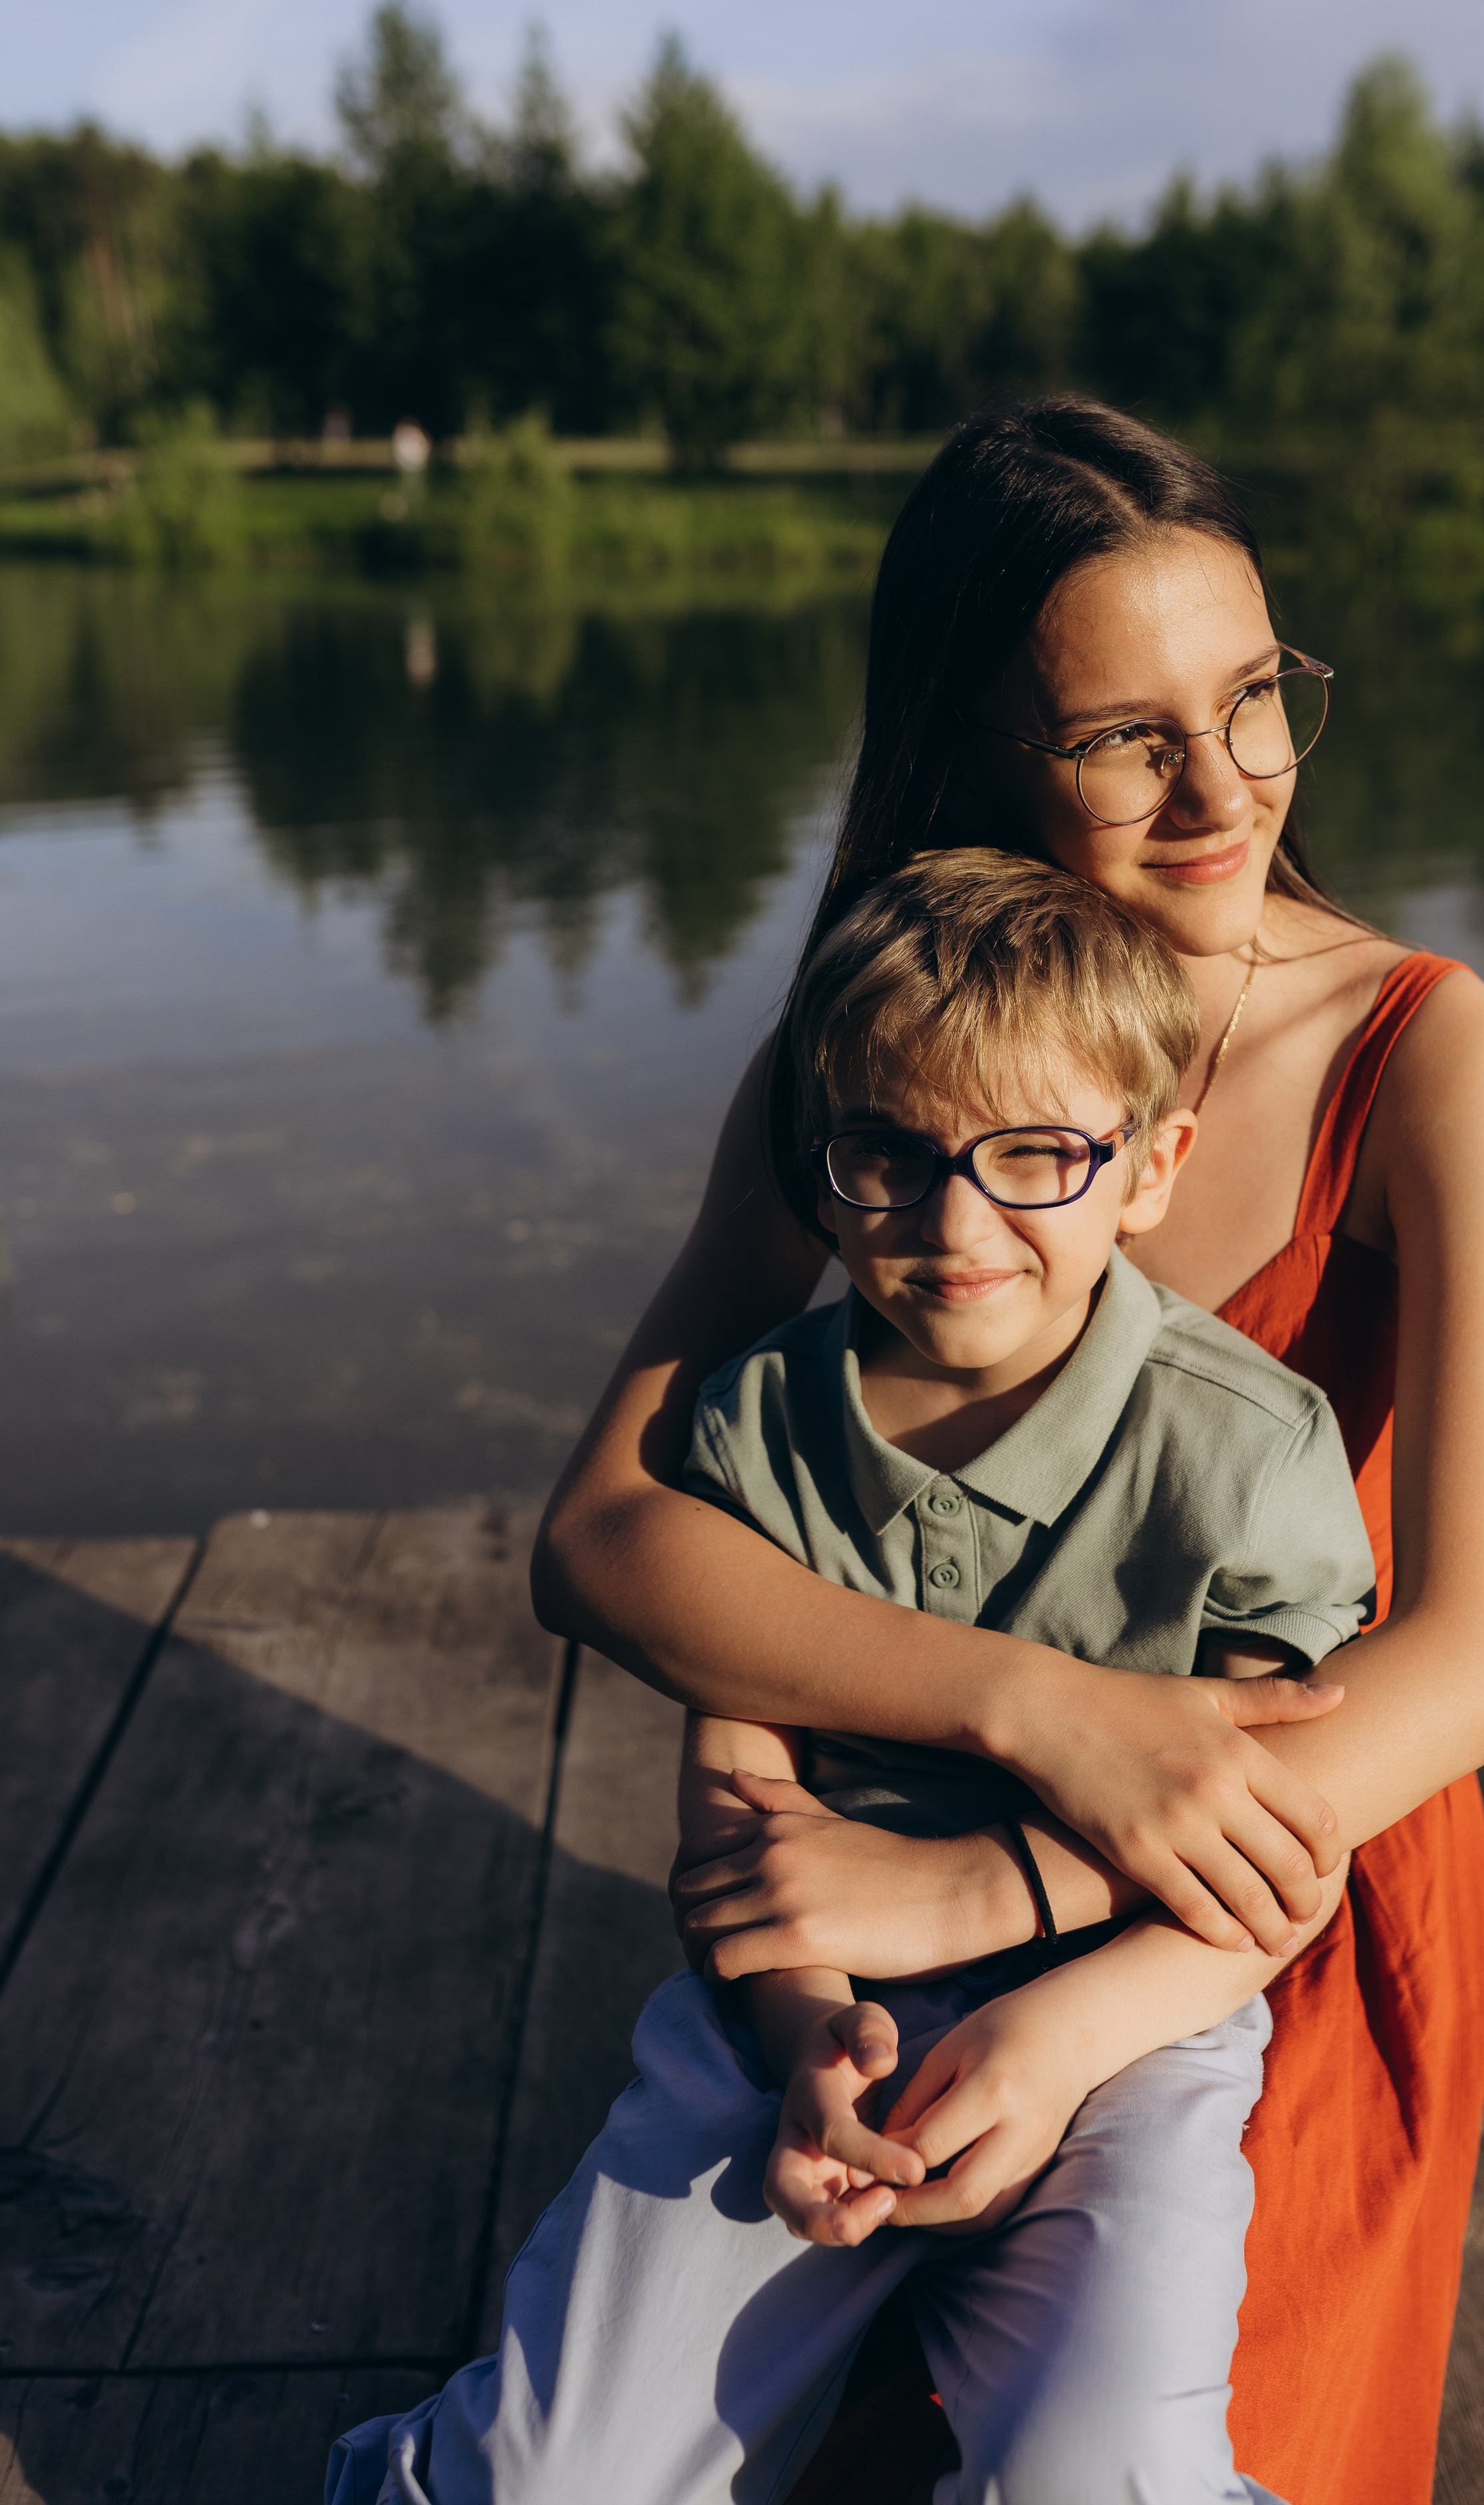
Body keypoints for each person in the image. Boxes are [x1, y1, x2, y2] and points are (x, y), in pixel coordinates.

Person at [528, 398, 1484, 2505]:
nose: (1226, 788)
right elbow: (611, 1533)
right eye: (1124, 737)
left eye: (1257, 698)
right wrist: (1038, 1713)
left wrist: (1048, 1930)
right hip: (916, 1866)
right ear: (985, 751)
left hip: (1260, 1883)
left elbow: (1478, 1661)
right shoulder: (878, 1054)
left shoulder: (1435, 1057)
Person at [329, 850, 1377, 2504]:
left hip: (1130, 2016)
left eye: (1037, 1156)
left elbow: (1274, 1862)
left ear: (1152, 1163)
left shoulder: (1247, 1451)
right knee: (548, 2480)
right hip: (808, 2010)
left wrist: (1049, 2042)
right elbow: (738, 1817)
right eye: (887, 1156)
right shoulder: (754, 1425)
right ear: (817, 1178)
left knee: (1107, 2470)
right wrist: (812, 2033)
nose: (956, 1225)